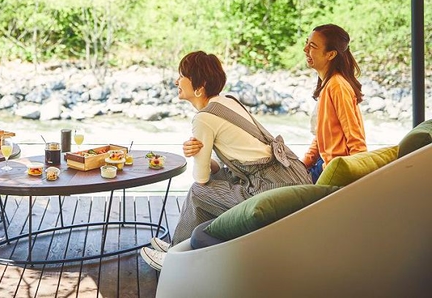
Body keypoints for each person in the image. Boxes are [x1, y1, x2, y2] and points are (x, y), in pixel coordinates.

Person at [140, 51, 311, 271]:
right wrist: (201, 155)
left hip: (269, 190)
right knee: (216, 179)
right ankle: (178, 247)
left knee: (197, 192)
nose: (176, 81)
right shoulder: (228, 102)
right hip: (289, 177)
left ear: (199, 86)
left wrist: (197, 156)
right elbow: (228, 163)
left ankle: (174, 259)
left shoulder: (204, 118)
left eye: (181, 75)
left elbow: (201, 179)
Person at [301, 24, 367, 183]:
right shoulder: (329, 84)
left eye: (312, 46)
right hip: (322, 164)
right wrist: (303, 164)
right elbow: (321, 137)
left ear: (330, 54)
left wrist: (362, 180)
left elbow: (355, 138)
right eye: (306, 43)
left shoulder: (337, 86)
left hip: (332, 169)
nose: (305, 49)